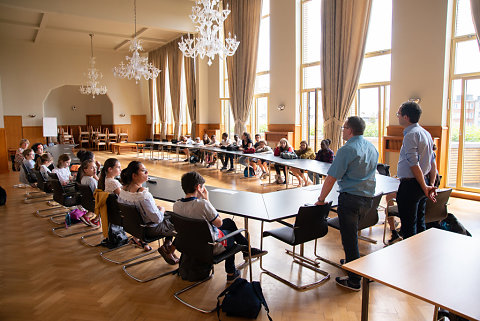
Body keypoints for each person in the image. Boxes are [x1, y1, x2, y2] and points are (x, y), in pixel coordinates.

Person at [315, 116, 378, 291]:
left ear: (350, 130)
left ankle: (354, 280)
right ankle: (353, 261)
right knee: (353, 235)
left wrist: (321, 200)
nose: (342, 130)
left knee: (349, 239)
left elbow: (331, 178)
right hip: (368, 199)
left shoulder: (347, 149)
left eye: (344, 128)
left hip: (350, 199)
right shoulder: (372, 147)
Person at [173, 171, 267, 283]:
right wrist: (206, 200)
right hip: (209, 247)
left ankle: (247, 251)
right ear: (198, 187)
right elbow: (219, 223)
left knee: (230, 223)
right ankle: (231, 272)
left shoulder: (176, 205)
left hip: (190, 244)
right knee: (231, 235)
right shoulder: (202, 204)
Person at [118, 161, 178, 264]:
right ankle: (168, 248)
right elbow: (158, 219)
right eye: (143, 171)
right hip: (149, 230)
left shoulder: (123, 191)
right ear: (134, 175)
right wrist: (161, 209)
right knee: (179, 222)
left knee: (171, 216)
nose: (147, 172)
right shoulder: (143, 195)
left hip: (134, 227)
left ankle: (167, 246)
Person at [396, 101, 437, 240]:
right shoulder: (425, 133)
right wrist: (429, 184)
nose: (398, 117)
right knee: (420, 223)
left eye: (399, 114)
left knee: (409, 227)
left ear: (406, 117)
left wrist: (425, 185)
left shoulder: (411, 135)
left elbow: (414, 164)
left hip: (411, 185)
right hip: (422, 182)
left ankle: (411, 257)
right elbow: (432, 162)